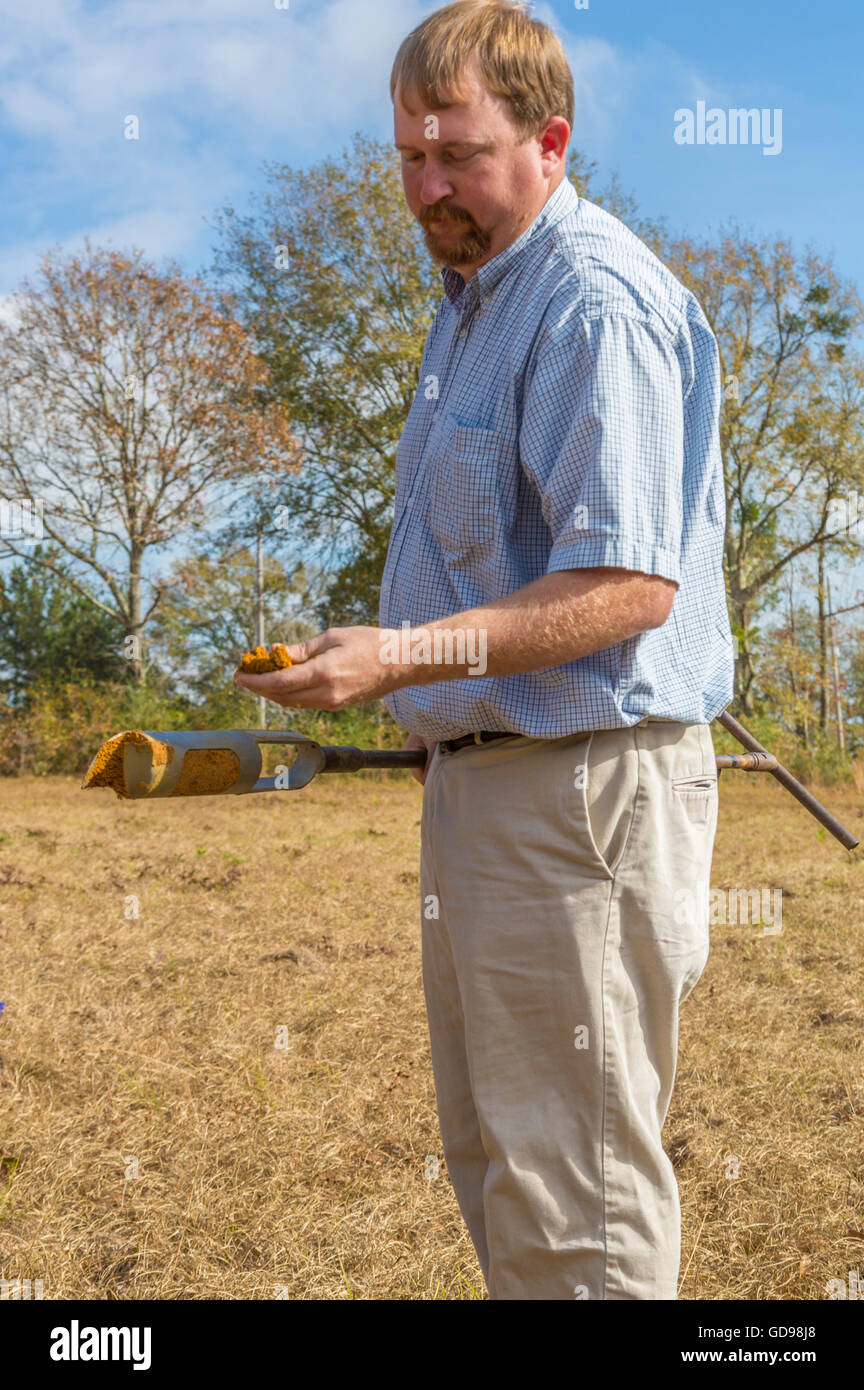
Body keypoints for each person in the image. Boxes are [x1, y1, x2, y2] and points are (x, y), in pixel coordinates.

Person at [236, 0, 734, 1300]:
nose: (426, 186)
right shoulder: (471, 303)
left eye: (454, 152)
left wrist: (398, 660)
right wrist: (435, 724)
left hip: (579, 793)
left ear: (550, 138)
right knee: (500, 1161)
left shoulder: (589, 302)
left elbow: (625, 586)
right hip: (489, 784)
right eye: (406, 156)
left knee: (576, 1195)